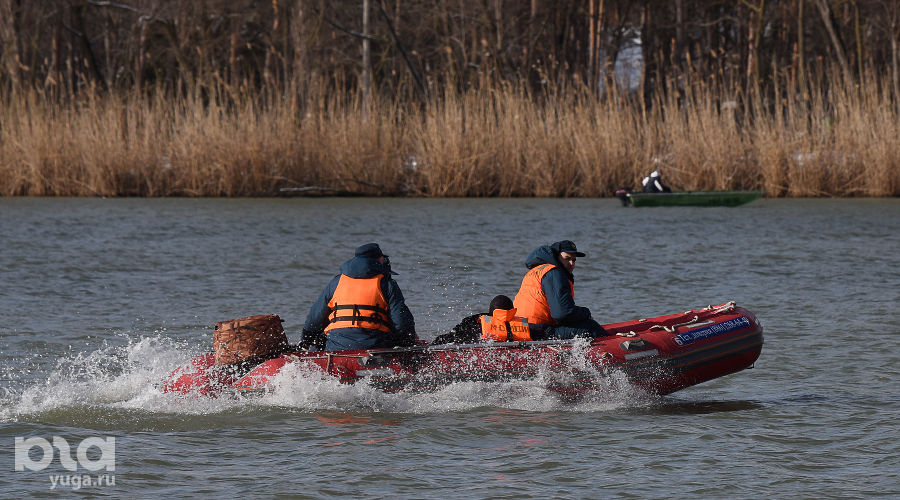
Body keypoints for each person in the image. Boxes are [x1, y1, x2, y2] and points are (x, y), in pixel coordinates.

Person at [299, 243, 418, 351]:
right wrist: (408, 343)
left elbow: (315, 317)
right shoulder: (387, 284)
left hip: (336, 345)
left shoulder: (336, 282)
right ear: (379, 260)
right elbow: (401, 321)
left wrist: (306, 340)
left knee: (316, 345)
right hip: (375, 344)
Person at [513, 240, 607, 340]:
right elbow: (562, 313)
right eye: (567, 258)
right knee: (590, 327)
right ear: (556, 257)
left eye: (574, 260)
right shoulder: (554, 273)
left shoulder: (538, 270)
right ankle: (614, 348)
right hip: (537, 330)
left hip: (521, 328)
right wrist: (586, 313)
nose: (572, 263)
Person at [432, 295, 532, 345]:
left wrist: (435, 343)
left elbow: (453, 335)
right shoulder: (523, 325)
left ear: (491, 312)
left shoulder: (476, 323)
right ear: (512, 311)